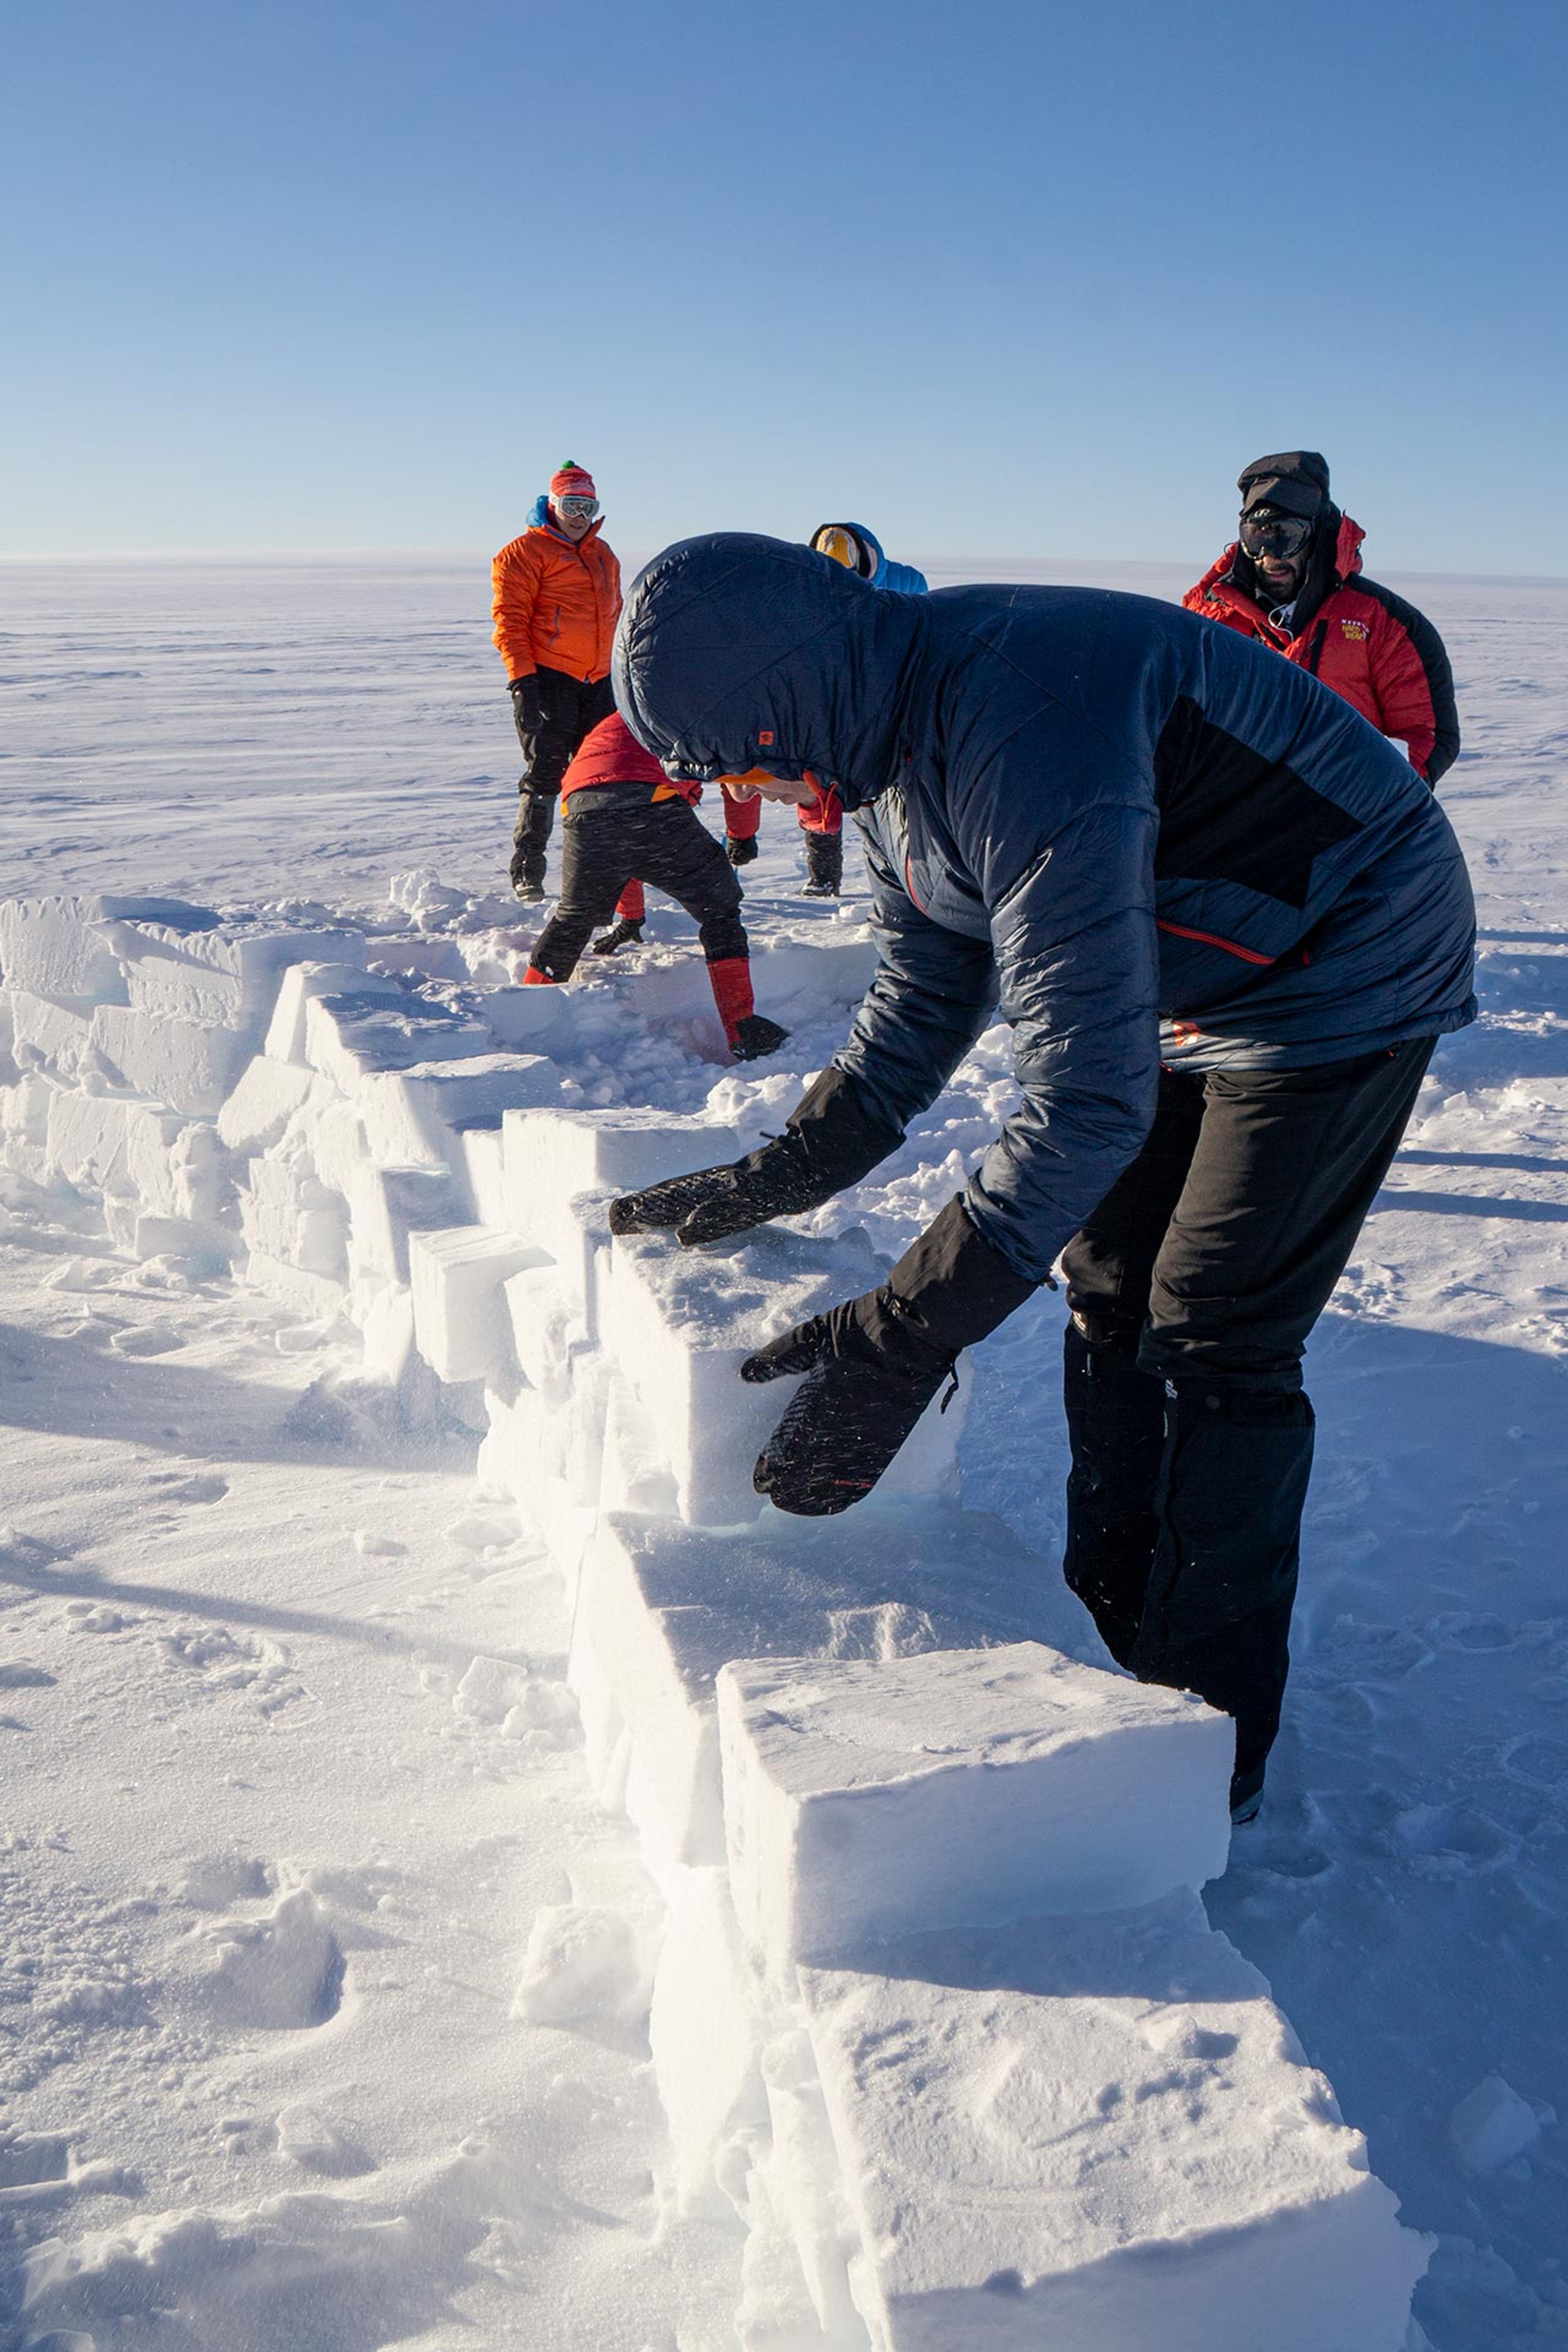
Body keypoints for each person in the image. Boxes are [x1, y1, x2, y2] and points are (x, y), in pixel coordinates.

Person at [606, 532, 1476, 1819]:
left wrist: (900, 1340)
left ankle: (1201, 1747)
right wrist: (789, 1168)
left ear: (793, 692)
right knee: (1107, 1282)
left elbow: (1081, 1103)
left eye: (742, 755)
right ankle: (1106, 1644)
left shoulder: (1022, 712)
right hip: (1187, 972)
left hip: (1345, 963)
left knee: (1215, 1329)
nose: (758, 790)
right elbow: (921, 998)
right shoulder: (891, 748)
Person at [522, 712, 789, 1063]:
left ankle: (523, 1022)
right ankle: (744, 1030)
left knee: (573, 921)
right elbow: (740, 776)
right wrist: (742, 836)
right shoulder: (695, 710)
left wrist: (631, 916)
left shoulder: (620, 719)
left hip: (583, 810)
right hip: (653, 803)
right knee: (720, 911)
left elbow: (624, 846)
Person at [1185, 452, 1460, 785]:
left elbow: (1427, 737)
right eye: (1258, 536)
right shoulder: (1207, 620)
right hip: (1230, 820)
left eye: (1286, 535)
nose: (1271, 555)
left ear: (1316, 537)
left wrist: (1353, 793)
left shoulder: (1387, 624)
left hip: (1340, 822)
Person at [721, 523, 930, 896]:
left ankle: (909, 876)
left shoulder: (904, 582)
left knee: (894, 797)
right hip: (831, 697)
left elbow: (926, 621)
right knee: (821, 785)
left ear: (865, 564)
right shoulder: (810, 591)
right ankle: (825, 877)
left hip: (890, 699)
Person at [491, 461, 621, 900]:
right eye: (572, 505)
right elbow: (509, 623)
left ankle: (594, 875)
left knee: (600, 778)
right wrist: (523, 684)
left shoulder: (605, 555)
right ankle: (528, 869)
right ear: (553, 504)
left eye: (588, 505)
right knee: (546, 773)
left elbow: (616, 618)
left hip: (601, 682)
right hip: (548, 678)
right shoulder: (522, 554)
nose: (580, 515)